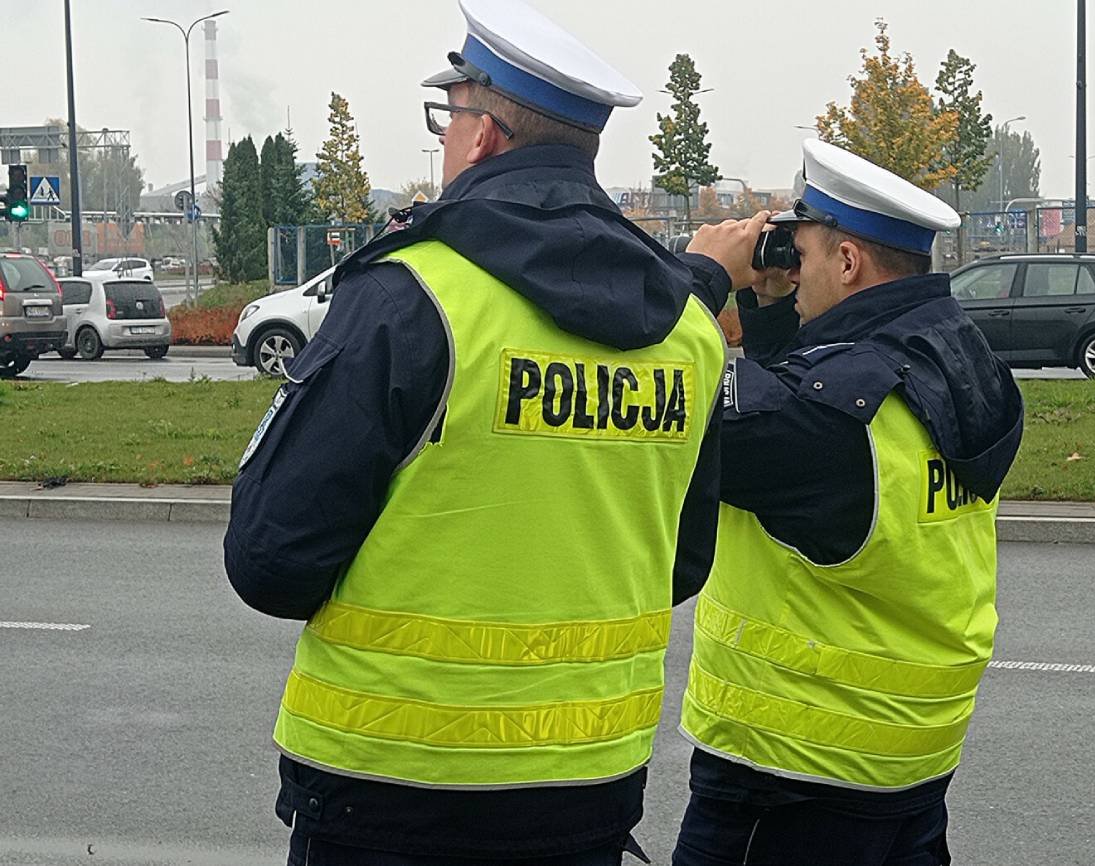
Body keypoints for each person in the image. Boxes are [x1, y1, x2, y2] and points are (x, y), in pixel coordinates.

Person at [223, 2, 766, 862]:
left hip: (389, 788)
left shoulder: (410, 295)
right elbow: (681, 563)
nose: (444, 139)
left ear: (481, 136)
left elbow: (270, 559)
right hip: (588, 787)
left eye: (447, 118)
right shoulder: (688, 330)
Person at [671, 139, 1025, 866]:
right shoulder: (965, 364)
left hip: (793, 767)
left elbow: (668, 416)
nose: (792, 270)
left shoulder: (825, 417)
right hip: (912, 758)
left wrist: (699, 280)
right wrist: (772, 310)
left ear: (849, 262)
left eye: (801, 254)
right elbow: (802, 414)